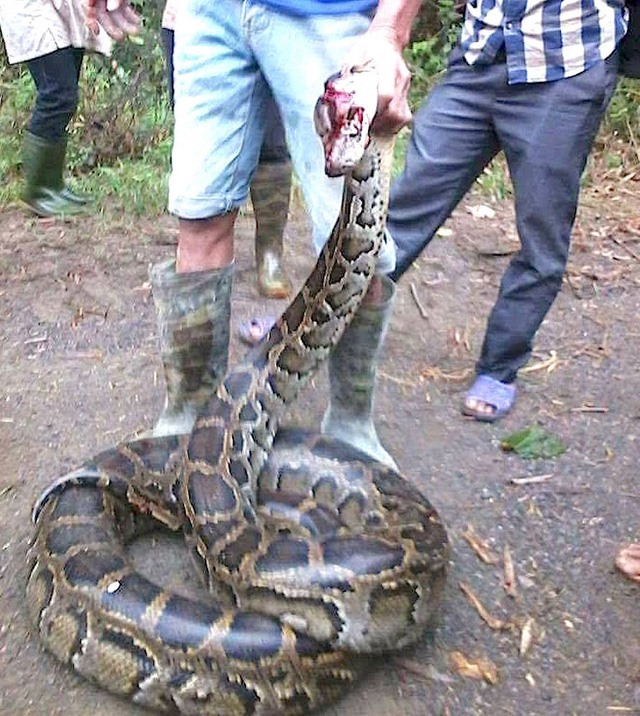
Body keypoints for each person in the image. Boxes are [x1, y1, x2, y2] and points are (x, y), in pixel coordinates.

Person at [86, 0, 421, 468]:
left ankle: (350, 424)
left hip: (324, 14)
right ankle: (190, 420)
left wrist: (389, 30)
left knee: (354, 235)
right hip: (209, 14)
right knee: (199, 213)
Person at [383, 0, 627, 423]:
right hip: (481, 54)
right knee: (407, 201)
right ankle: (325, 319)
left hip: (564, 67)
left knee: (542, 233)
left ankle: (499, 366)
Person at [161, 0, 294, 302]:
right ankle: (201, 258)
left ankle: (270, 252)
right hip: (192, 18)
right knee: (202, 181)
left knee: (272, 144)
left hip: (283, 17)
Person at [0, 0, 112, 217]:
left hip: (67, 6)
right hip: (32, 7)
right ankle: (39, 191)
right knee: (58, 95)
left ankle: (53, 186)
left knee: (65, 95)